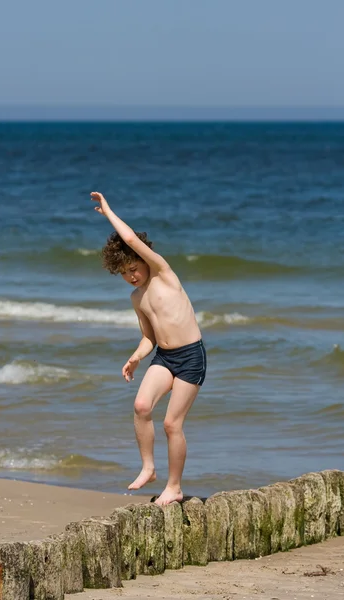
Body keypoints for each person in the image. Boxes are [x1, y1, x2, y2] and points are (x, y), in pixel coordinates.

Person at [91, 192, 206, 506]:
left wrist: (109, 212)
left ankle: (175, 487)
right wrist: (136, 357)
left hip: (191, 356)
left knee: (172, 424)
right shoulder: (136, 299)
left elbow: (128, 236)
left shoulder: (164, 275)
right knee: (142, 407)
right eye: (124, 273)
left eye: (133, 268)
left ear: (145, 259)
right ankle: (148, 467)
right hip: (164, 357)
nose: (131, 276)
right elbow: (149, 338)